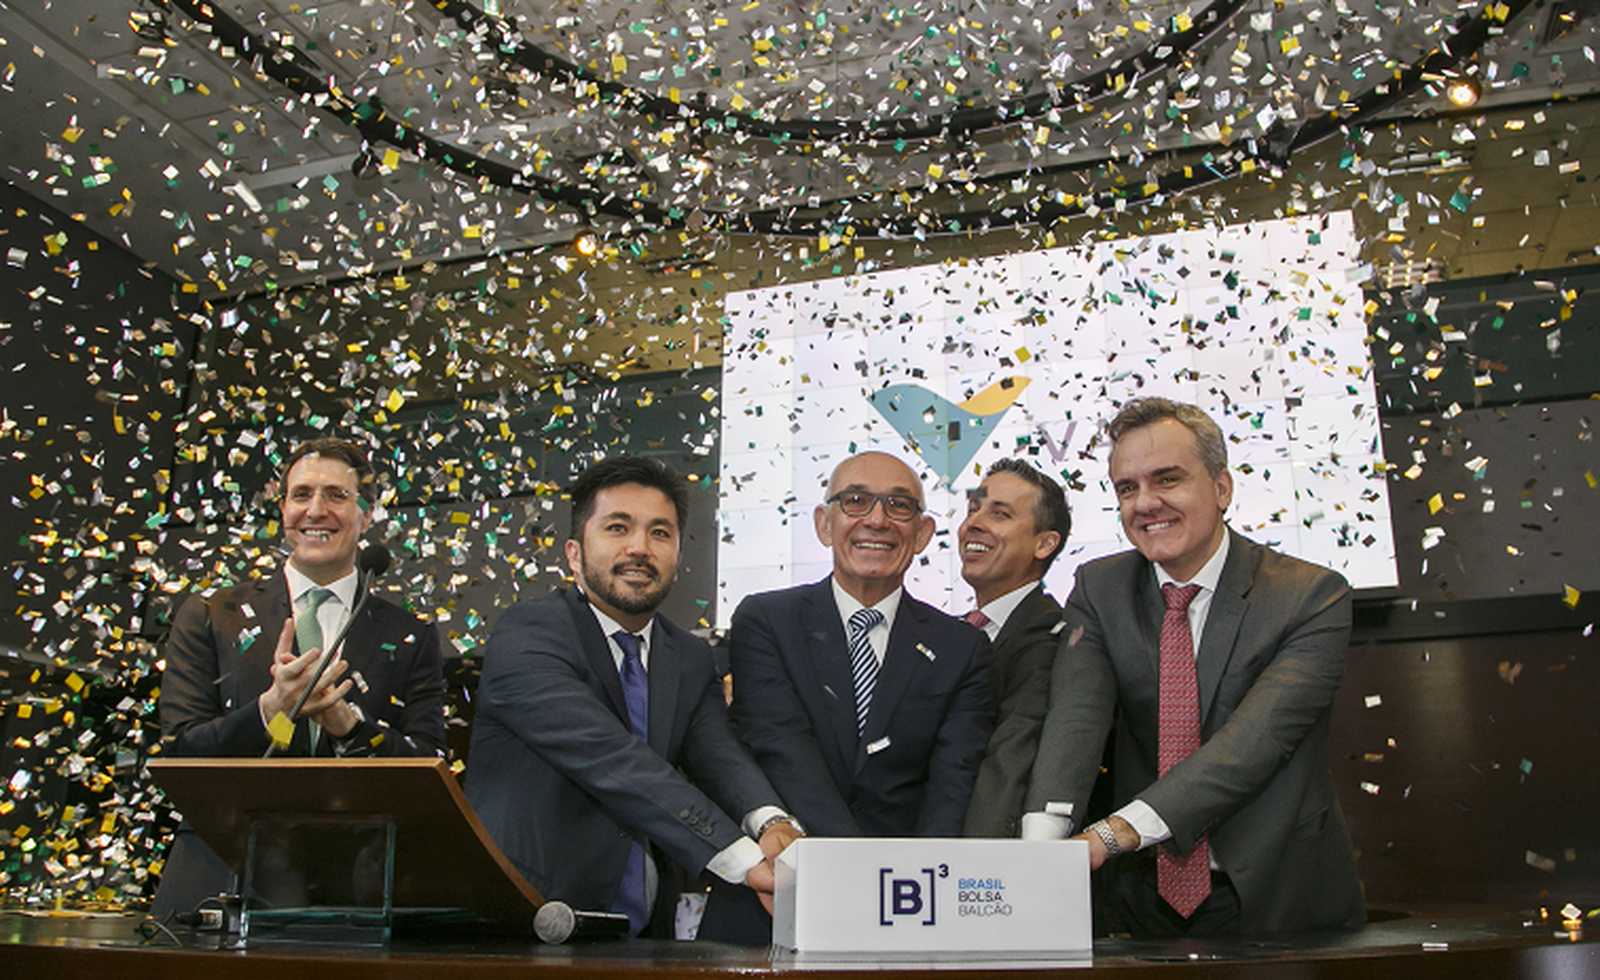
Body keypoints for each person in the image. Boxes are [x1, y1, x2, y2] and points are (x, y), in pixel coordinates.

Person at [1022, 397, 1363, 936]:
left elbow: (1251, 746)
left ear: (1222, 488)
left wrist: (1112, 834)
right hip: (1140, 898)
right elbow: (1075, 720)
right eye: (1127, 488)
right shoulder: (1099, 589)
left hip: (1278, 895)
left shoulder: (1309, 596)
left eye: (1168, 479)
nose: (1145, 503)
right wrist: (1039, 850)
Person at [465, 456, 801, 938]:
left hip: (645, 937)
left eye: (660, 533)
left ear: (678, 557)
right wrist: (744, 859)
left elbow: (718, 753)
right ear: (574, 553)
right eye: (617, 528)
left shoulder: (688, 656)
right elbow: (610, 758)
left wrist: (771, 823)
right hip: (527, 925)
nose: (640, 548)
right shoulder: (529, 634)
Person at [154, 437, 446, 917]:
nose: (315, 510)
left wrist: (349, 728)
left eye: (336, 495)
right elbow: (180, 752)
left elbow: (429, 766)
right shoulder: (211, 614)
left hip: (354, 893)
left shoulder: (411, 634)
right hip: (219, 875)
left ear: (366, 515)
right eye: (301, 495)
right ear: (283, 509)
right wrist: (270, 710)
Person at [957, 459, 1069, 838]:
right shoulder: (949, 637)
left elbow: (1010, 764)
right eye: (972, 510)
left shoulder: (1055, 640)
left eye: (999, 514)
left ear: (1044, 544)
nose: (973, 524)